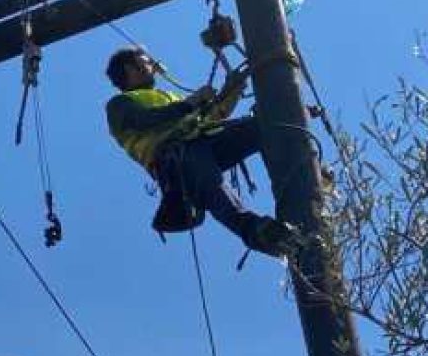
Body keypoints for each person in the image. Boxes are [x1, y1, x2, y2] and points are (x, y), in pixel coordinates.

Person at [104, 46, 296, 258]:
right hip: (174, 157)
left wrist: (233, 89)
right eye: (147, 61)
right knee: (212, 187)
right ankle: (258, 232)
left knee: (264, 126)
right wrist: (190, 104)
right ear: (131, 68)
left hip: (203, 140)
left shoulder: (167, 96)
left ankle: (299, 178)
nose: (153, 66)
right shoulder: (118, 105)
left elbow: (211, 118)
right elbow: (144, 120)